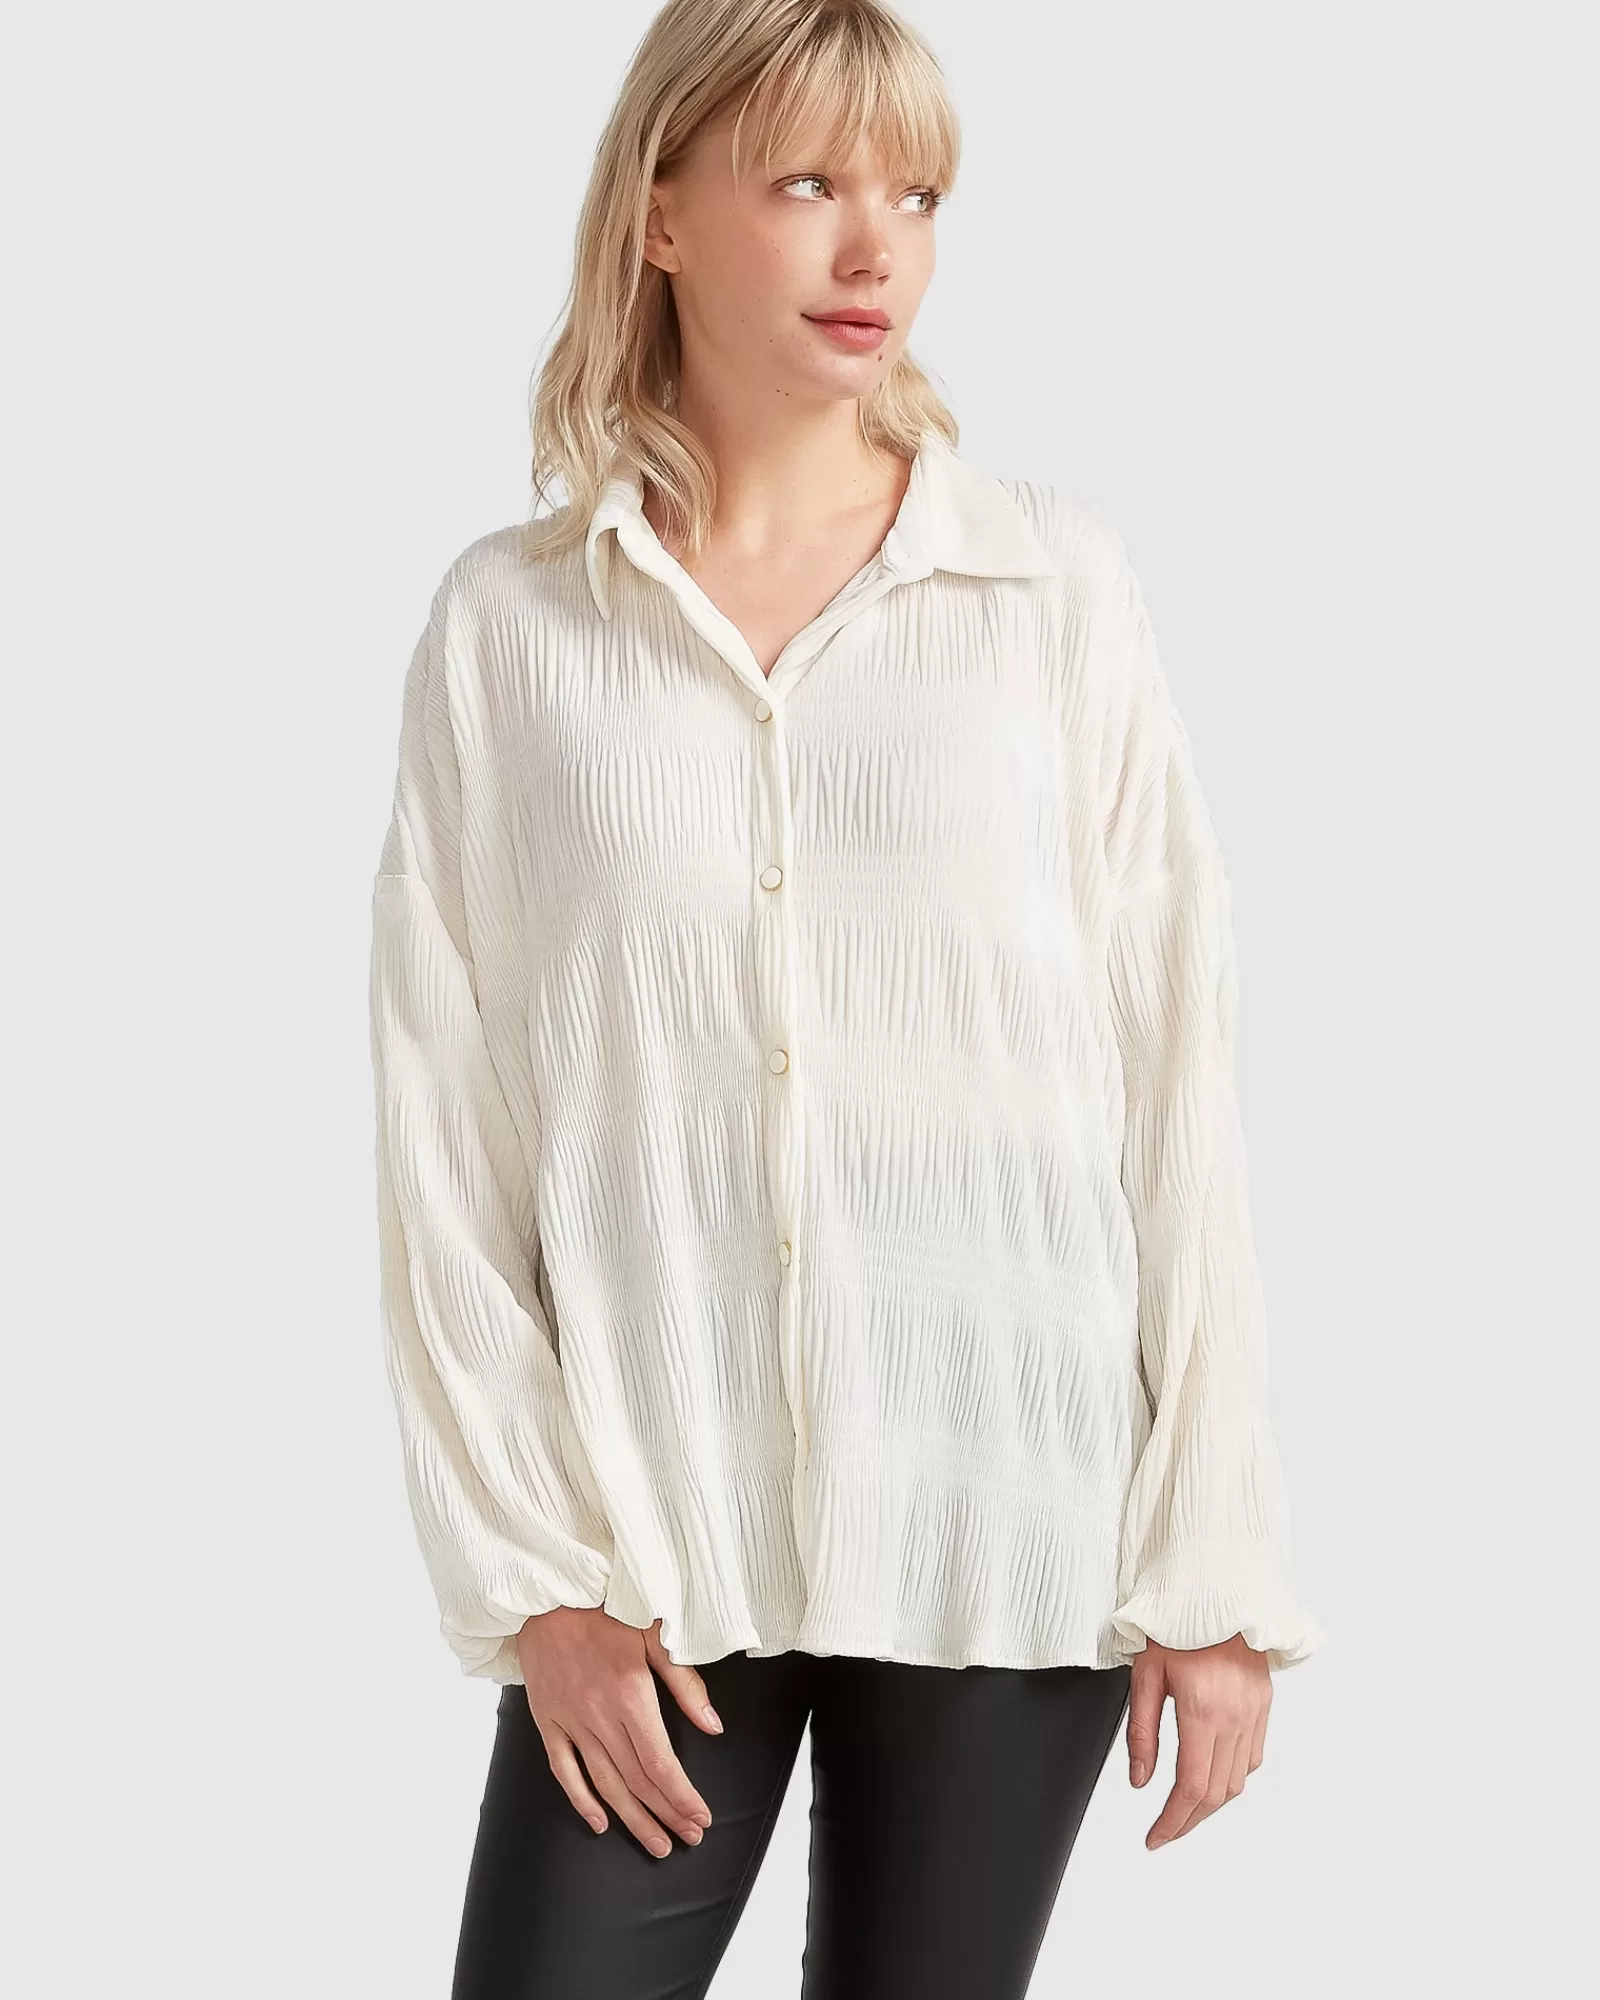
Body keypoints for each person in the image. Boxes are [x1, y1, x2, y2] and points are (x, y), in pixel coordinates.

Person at [366, 2, 1327, 1994]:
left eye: (915, 195)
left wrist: (1213, 1560)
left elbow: (1174, 1075)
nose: (873, 246)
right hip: (652, 1547)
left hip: (1008, 1516)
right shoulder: (511, 629)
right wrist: (537, 1580)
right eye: (806, 184)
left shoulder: (1050, 592)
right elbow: (444, 1139)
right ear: (659, 215)